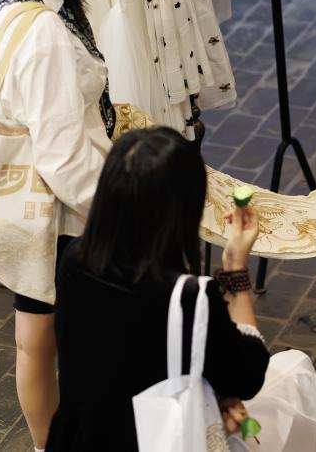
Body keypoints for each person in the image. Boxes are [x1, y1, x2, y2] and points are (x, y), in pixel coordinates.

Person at [0, 0, 121, 451]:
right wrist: (125, 215)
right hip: (65, 219)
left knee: (33, 340)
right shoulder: (46, 35)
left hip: (32, 207)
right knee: (73, 350)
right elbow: (65, 162)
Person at [45, 127, 271, 450]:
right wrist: (236, 267)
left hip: (75, 441)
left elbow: (114, 363)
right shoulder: (189, 297)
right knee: (297, 382)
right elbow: (247, 376)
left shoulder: (73, 259)